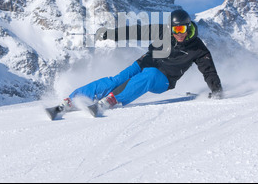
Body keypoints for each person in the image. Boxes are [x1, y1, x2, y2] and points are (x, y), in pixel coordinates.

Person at [58, 9, 223, 114]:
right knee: (115, 80)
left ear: (188, 27)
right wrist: (112, 34)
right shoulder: (162, 31)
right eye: (175, 29)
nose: (178, 33)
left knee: (150, 74)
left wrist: (216, 90)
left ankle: (112, 100)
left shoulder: (198, 49)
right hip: (143, 64)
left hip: (164, 80)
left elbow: (208, 70)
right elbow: (136, 31)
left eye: (181, 29)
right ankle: (73, 99)